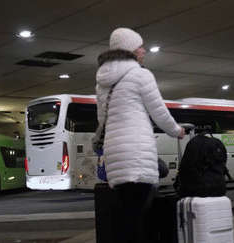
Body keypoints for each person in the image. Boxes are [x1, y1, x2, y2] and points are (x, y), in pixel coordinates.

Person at [95, 28, 185, 243]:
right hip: (135, 152)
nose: (143, 50)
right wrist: (176, 131)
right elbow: (159, 111)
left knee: (129, 211)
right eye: (140, 47)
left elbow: (102, 120)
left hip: (115, 153)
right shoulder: (140, 75)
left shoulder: (102, 82)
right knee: (135, 216)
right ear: (131, 51)